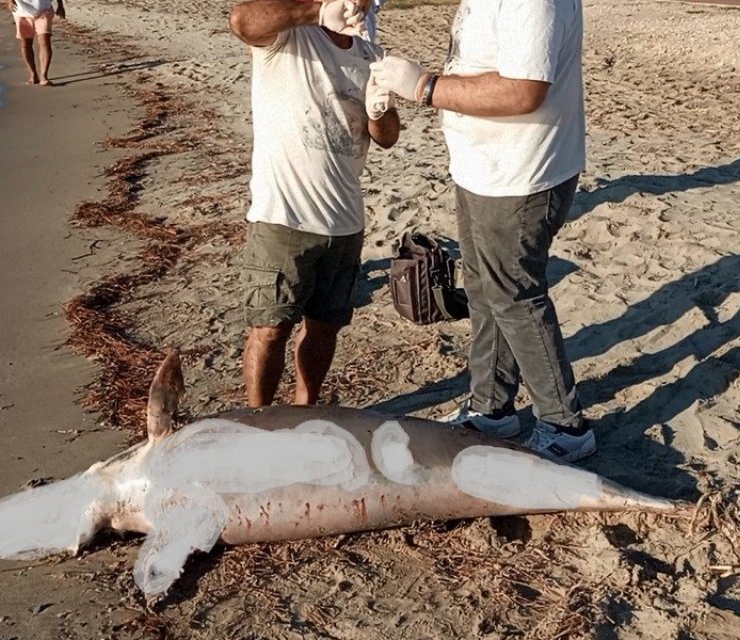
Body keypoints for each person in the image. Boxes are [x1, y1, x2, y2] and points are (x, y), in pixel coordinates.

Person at [369, 0, 593, 462]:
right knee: (483, 287)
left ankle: (564, 426)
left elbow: (524, 90)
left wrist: (424, 86)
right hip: (486, 168)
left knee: (514, 296)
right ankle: (492, 408)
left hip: (521, 174)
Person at [228, 0, 400, 407]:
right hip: (282, 216)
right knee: (270, 329)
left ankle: (304, 410)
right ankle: (258, 421)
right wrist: (318, 11)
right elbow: (241, 20)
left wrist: (378, 108)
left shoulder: (371, 54)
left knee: (324, 328)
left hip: (345, 221)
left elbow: (388, 135)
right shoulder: (288, 36)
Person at [9, 0, 65, 86]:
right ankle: (33, 74)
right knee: (25, 44)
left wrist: (60, 5)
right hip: (21, 12)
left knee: (44, 41)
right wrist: (10, 1)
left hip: (44, 10)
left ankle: (44, 76)